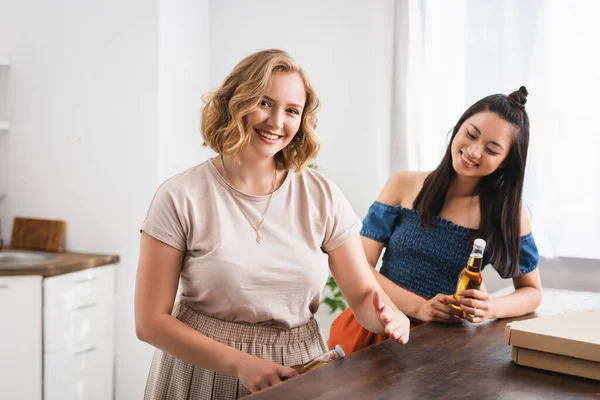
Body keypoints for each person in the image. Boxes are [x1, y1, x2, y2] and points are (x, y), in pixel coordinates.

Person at [134, 49, 410, 400]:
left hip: (297, 374)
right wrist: (239, 364)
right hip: (200, 373)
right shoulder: (180, 196)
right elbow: (149, 323)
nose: (277, 122)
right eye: (265, 103)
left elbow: (361, 296)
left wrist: (389, 317)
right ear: (237, 102)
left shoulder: (321, 195)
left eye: (292, 111)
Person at [328, 86, 542, 355]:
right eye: (471, 134)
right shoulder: (403, 184)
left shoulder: (508, 215)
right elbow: (359, 267)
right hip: (377, 327)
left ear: (505, 162)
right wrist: (420, 307)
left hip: (443, 346)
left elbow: (532, 292)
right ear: (458, 127)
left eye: (491, 149)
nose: (474, 152)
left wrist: (491, 307)